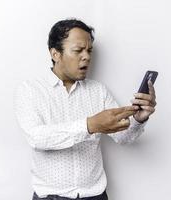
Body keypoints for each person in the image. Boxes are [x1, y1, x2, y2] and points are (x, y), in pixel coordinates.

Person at [14, 18, 157, 200]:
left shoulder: (98, 91)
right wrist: (89, 125)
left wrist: (139, 119)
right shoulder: (29, 90)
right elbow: (37, 138)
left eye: (89, 51)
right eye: (78, 50)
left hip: (95, 196)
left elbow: (123, 137)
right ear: (55, 54)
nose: (87, 57)